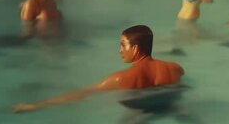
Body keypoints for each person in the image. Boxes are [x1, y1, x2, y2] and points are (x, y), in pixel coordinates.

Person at [13, 25, 184, 113]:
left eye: (122, 45)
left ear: (136, 49)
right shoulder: (176, 69)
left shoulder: (121, 78)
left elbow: (82, 94)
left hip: (140, 109)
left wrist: (38, 105)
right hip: (168, 105)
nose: (119, 50)